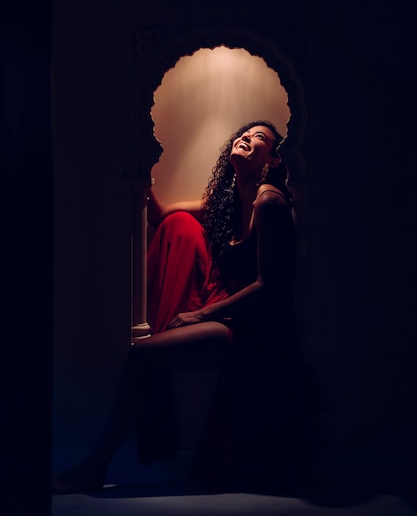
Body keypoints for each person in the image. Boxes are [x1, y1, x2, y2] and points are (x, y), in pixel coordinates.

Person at [52, 120, 310, 495]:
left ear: (272, 158)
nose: (246, 138)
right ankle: (100, 462)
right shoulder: (230, 199)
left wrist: (201, 314)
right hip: (227, 311)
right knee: (179, 224)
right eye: (244, 133)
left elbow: (268, 287)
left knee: (143, 354)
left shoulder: (268, 202)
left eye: (259, 138)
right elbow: (165, 217)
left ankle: (94, 467)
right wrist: (138, 178)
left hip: (255, 327)